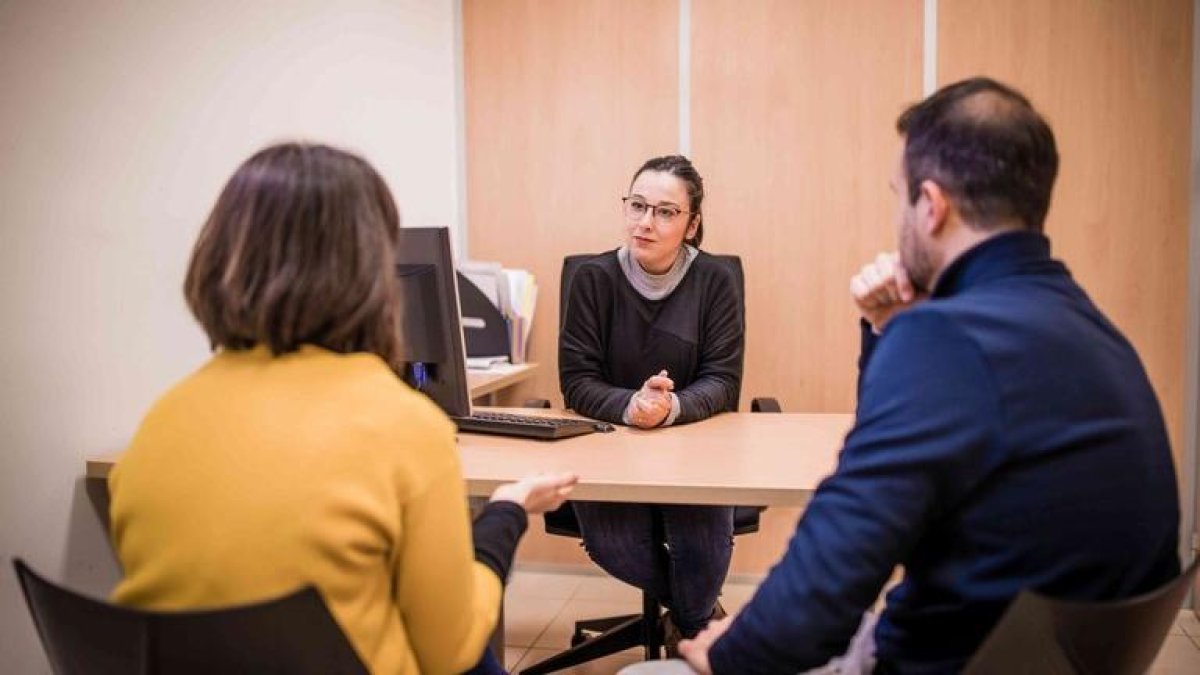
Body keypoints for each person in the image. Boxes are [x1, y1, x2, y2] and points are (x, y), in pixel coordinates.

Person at [626, 77, 1181, 674]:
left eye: (900, 198)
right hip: (1020, 651)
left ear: (932, 206)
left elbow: (831, 577)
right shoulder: (1093, 331)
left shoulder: (948, 340)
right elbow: (894, 463)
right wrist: (893, 331)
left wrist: (728, 653)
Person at [107, 142, 578, 674]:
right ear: (374, 271)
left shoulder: (162, 421)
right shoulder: (404, 426)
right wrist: (506, 515)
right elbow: (450, 652)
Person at [558, 155, 744, 647]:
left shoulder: (715, 282)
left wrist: (670, 409)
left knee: (704, 548)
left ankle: (687, 624)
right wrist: (631, 405)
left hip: (694, 447)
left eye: (665, 211)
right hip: (610, 447)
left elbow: (722, 381)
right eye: (637, 205)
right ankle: (701, 627)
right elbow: (576, 381)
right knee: (613, 545)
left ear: (692, 223)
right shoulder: (592, 280)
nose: (645, 222)